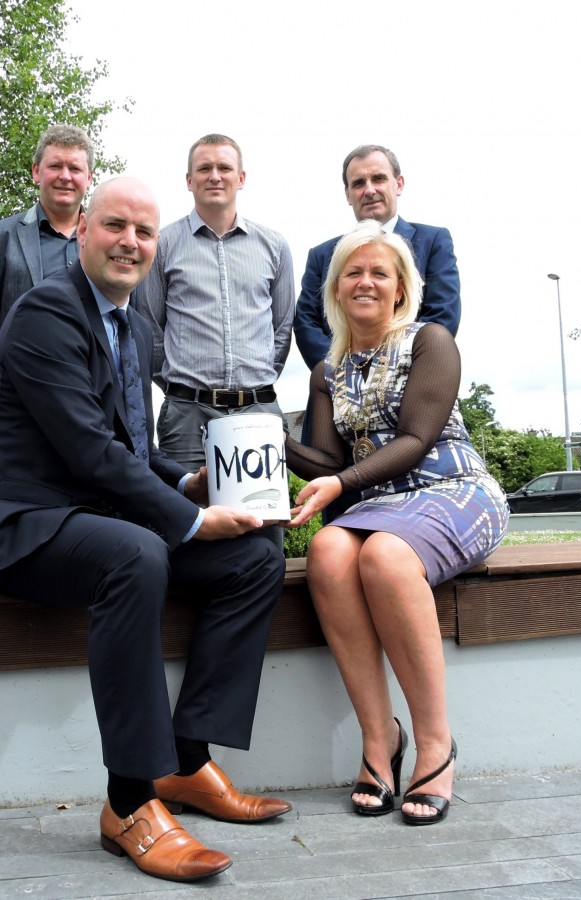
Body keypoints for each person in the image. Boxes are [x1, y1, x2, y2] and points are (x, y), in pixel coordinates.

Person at [0, 178, 290, 883]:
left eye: (143, 230)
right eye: (115, 226)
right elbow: (86, 450)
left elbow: (130, 449)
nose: (130, 242)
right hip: (25, 526)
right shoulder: (45, 313)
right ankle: (128, 800)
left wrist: (188, 483)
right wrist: (190, 518)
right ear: (82, 233)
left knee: (256, 552)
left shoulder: (136, 327)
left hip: (98, 519)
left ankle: (186, 759)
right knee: (137, 552)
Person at [285, 221, 507, 825]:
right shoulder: (327, 371)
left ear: (401, 289)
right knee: (329, 549)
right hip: (379, 506)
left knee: (383, 553)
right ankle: (380, 739)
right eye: (353, 272)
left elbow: (415, 438)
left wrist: (339, 484)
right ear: (335, 290)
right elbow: (327, 460)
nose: (365, 282)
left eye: (379, 272)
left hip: (453, 489)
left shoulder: (430, 342)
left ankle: (435, 742)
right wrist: (259, 442)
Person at [133, 133, 293, 473]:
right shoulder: (162, 246)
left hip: (257, 411)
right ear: (189, 181)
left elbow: (281, 328)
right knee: (191, 521)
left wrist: (254, 382)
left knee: (262, 520)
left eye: (224, 167)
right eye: (204, 168)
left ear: (241, 178)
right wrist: (181, 387)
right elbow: (149, 328)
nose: (215, 176)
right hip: (188, 416)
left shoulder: (274, 246)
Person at [293, 144, 461, 371]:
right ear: (348, 194)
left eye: (379, 179)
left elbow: (442, 315)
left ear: (398, 184)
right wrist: (347, 373)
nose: (369, 190)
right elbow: (306, 323)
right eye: (359, 183)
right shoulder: (321, 255)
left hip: (413, 383)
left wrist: (386, 372)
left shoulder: (434, 242)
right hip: (337, 391)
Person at [0, 124, 94, 378]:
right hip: (19, 402)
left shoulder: (108, 243)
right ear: (37, 172)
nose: (65, 176)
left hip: (95, 398)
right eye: (55, 166)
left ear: (89, 178)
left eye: (75, 168)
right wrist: (8, 381)